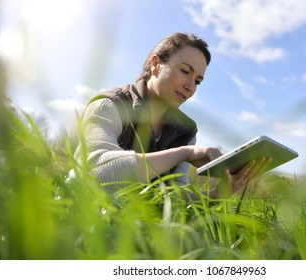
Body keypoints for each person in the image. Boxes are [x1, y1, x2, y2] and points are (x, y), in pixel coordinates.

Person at [74, 32, 271, 199]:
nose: (190, 86)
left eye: (198, 81)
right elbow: (94, 170)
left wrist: (216, 195)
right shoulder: (109, 104)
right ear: (156, 64)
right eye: (185, 71)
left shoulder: (185, 129)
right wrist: (184, 153)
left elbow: (174, 196)